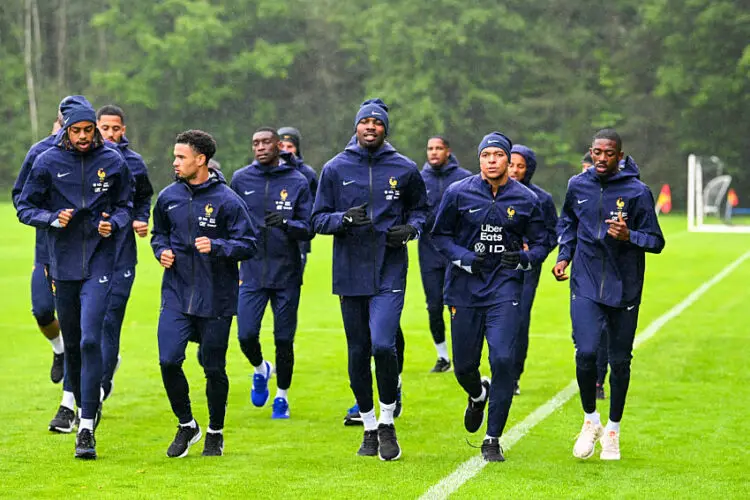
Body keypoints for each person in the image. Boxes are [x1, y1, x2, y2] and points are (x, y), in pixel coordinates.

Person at [17, 95, 132, 459]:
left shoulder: (112, 161)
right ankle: (76, 403)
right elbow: (24, 205)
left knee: (90, 340)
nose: (84, 136)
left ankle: (85, 426)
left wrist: (112, 222)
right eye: (77, 130)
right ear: (65, 129)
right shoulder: (46, 160)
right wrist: (51, 218)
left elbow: (127, 205)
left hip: (100, 261)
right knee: (73, 337)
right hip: (62, 263)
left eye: (89, 129)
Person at [312, 98, 427, 461]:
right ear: (356, 127)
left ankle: (389, 419)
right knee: (359, 350)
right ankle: (368, 426)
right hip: (350, 270)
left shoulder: (405, 168)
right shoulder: (335, 168)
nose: (371, 127)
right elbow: (317, 219)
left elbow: (422, 211)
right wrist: (343, 219)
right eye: (365, 122)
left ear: (385, 129)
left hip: (390, 267)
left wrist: (410, 230)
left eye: (378, 123)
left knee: (382, 344)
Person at [431, 131, 550, 462]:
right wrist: (467, 259)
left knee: (502, 360)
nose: (492, 160)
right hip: (464, 289)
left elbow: (543, 241)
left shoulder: (527, 199)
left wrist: (525, 259)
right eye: (486, 155)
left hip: (505, 288)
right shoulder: (457, 193)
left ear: (508, 161)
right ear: (479, 159)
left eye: (499, 155)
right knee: (465, 366)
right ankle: (477, 394)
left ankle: (492, 438)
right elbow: (439, 236)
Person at [554, 129, 664, 461]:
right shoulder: (578, 185)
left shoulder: (637, 191)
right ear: (591, 152)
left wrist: (630, 235)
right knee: (585, 352)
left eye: (609, 153)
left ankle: (613, 431)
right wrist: (563, 255)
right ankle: (591, 421)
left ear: (620, 156)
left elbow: (656, 241)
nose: (602, 158)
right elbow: (568, 222)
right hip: (585, 282)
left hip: (625, 286)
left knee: (619, 361)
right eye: (597, 152)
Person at [151, 130, 256, 458]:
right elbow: (159, 234)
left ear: (201, 160)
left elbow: (249, 244)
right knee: (168, 360)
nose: (175, 162)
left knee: (213, 368)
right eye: (175, 156)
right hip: (176, 294)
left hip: (217, 298)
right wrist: (161, 251)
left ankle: (215, 430)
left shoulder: (228, 201)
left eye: (181, 157)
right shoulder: (168, 197)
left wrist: (218, 246)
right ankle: (186, 425)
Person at [230, 127, 313, 419]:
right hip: (251, 271)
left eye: (266, 142)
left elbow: (309, 227)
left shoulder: (297, 180)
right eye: (255, 143)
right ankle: (259, 368)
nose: (260, 147)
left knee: (283, 339)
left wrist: (287, 225)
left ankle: (282, 396)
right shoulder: (241, 179)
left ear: (279, 146)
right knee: (246, 334)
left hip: (287, 273)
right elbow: (230, 220)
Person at [96, 105, 154, 403]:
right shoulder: (83, 160)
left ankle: (102, 383)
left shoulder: (134, 162)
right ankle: (96, 371)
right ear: (96, 127)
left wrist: (141, 218)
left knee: (110, 318)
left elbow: (144, 197)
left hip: (121, 253)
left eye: (115, 128)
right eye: (105, 128)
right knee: (88, 323)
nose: (110, 133)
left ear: (124, 130)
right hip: (86, 255)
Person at [12, 113, 65, 385]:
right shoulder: (40, 152)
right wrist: (49, 217)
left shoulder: (96, 156)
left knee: (82, 321)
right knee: (43, 310)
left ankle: (78, 402)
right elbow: (21, 199)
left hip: (82, 251)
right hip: (46, 247)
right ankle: (60, 350)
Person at [418, 136, 472, 373]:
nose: (434, 152)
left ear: (448, 151)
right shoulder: (419, 179)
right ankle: (442, 356)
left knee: (459, 305)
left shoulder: (464, 178)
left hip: (456, 252)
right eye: (430, 148)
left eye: (439, 148)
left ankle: (464, 355)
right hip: (428, 253)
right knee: (433, 306)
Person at [508, 145, 558, 395]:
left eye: (521, 165)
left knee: (519, 321)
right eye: (511, 164)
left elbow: (552, 235)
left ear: (530, 169)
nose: (515, 170)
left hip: (527, 270)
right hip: (496, 267)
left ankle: (513, 376)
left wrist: (534, 251)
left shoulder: (542, 199)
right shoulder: (489, 193)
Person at [580, 152, 608, 400]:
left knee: (603, 332)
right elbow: (565, 226)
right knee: (582, 336)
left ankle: (599, 381)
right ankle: (591, 375)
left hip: (610, 276)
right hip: (582, 274)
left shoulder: (613, 196)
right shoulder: (577, 192)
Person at [278, 127, 318, 274]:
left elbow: (316, 204)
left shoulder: (307, 174)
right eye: (281, 146)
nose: (286, 150)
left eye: (290, 146)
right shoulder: (263, 173)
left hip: (298, 237)